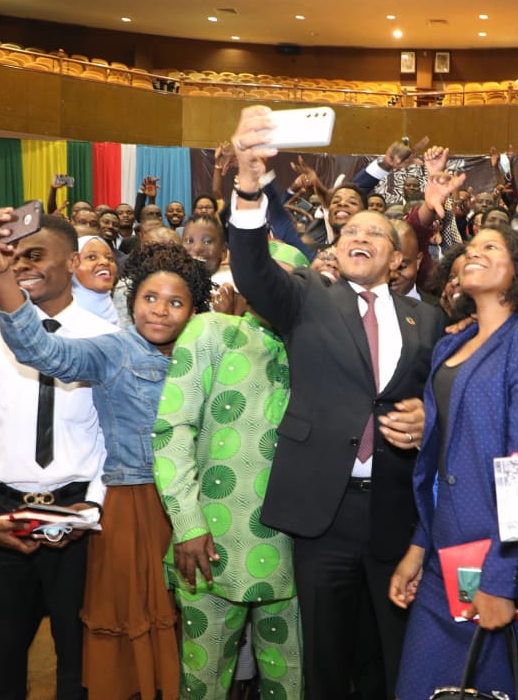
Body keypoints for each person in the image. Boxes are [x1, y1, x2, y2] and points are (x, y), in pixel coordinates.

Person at [226, 106, 445, 699]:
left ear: (398, 258)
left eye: (375, 234)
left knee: (391, 655)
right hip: (325, 508)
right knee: (324, 658)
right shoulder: (307, 298)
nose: (359, 239)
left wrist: (431, 419)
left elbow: (444, 397)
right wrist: (249, 187)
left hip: (397, 511)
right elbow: (250, 269)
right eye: (350, 232)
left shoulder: (428, 319)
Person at [0, 214, 212, 699]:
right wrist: (3, 276)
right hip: (134, 504)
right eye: (149, 298)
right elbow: (39, 350)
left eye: (176, 302)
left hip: (196, 505)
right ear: (132, 302)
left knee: (192, 625)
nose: (160, 311)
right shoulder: (114, 350)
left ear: (194, 311)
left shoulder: (206, 355)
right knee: (134, 620)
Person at [390, 216, 518, 700]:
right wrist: (417, 549)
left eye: (492, 247)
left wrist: (500, 576)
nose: (474, 252)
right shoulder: (450, 343)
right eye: (469, 248)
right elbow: (440, 458)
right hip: (443, 557)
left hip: (508, 561)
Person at [0, 215, 115, 700]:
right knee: (2, 665)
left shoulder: (103, 337)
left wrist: (95, 506)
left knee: (79, 664)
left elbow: (113, 435)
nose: (22, 265)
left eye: (36, 255)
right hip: (6, 518)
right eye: (15, 256)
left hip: (79, 516)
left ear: (73, 261)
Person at [153, 239, 309, 700]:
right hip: (211, 543)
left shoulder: (317, 347)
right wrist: (187, 525)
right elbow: (171, 431)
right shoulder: (211, 332)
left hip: (298, 547)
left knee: (291, 679)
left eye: (285, 278)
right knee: (203, 682)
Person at [71, 235, 121, 326]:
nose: (105, 262)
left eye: (109, 258)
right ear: (72, 264)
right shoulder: (62, 315)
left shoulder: (113, 309)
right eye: (92, 257)